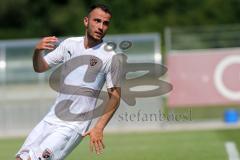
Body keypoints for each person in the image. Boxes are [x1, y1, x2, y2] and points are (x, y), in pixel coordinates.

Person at [16, 4, 121, 160]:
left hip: (73, 126)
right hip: (51, 118)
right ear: (86, 21)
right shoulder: (69, 44)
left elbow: (116, 97)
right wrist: (37, 51)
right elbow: (40, 67)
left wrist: (99, 127)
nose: (101, 26)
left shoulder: (110, 56)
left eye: (105, 23)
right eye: (97, 21)